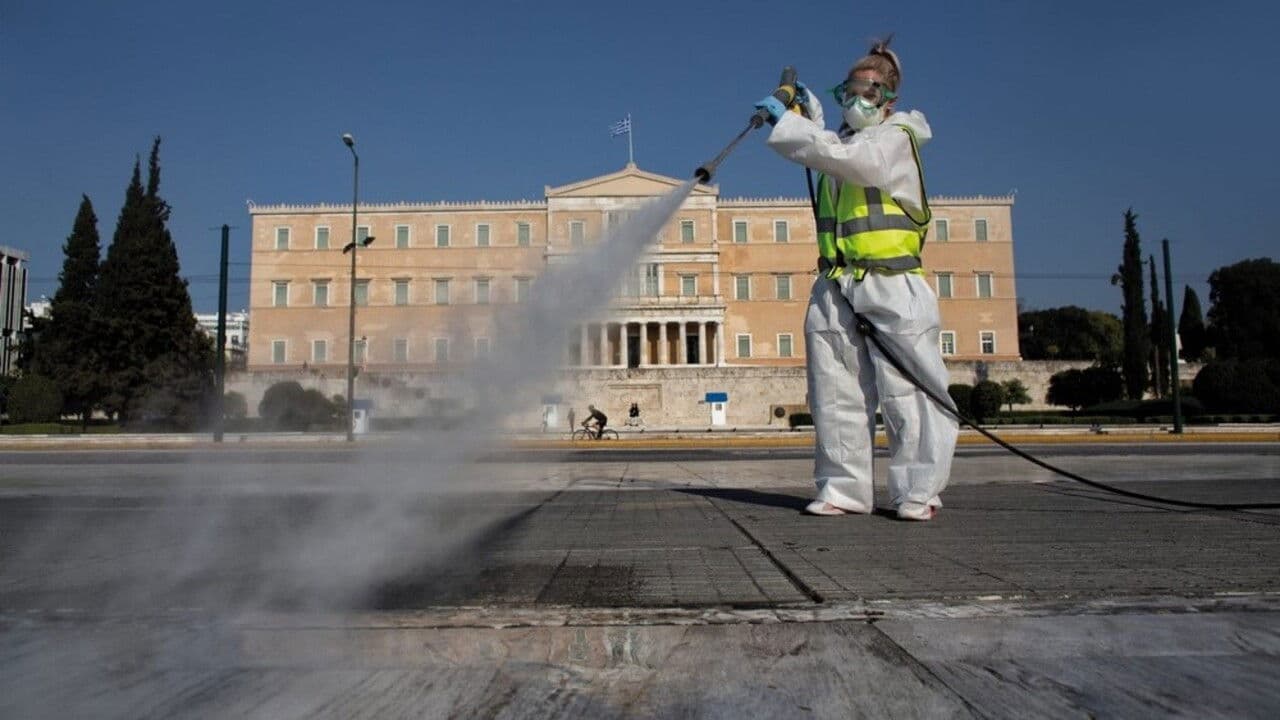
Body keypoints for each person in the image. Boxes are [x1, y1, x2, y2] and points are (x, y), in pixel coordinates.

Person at [755, 37, 958, 521]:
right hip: (836, 284)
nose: (854, 100)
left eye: (864, 91)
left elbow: (855, 160)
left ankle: (918, 491)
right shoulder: (845, 142)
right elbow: (835, 151)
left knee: (909, 393)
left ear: (888, 98)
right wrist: (808, 118)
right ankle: (843, 489)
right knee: (834, 392)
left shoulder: (898, 139)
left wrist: (790, 125)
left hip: (893, 283)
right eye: (847, 90)